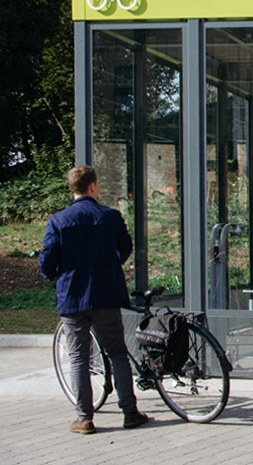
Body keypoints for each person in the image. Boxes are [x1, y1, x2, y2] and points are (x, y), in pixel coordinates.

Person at [38, 166, 150, 434]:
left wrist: (54, 275)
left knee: (78, 358)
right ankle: (130, 412)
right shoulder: (110, 217)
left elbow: (47, 258)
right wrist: (110, 265)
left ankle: (85, 418)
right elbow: (126, 247)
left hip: (72, 297)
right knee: (117, 352)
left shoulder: (58, 220)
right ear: (92, 186)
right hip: (105, 293)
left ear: (73, 188)